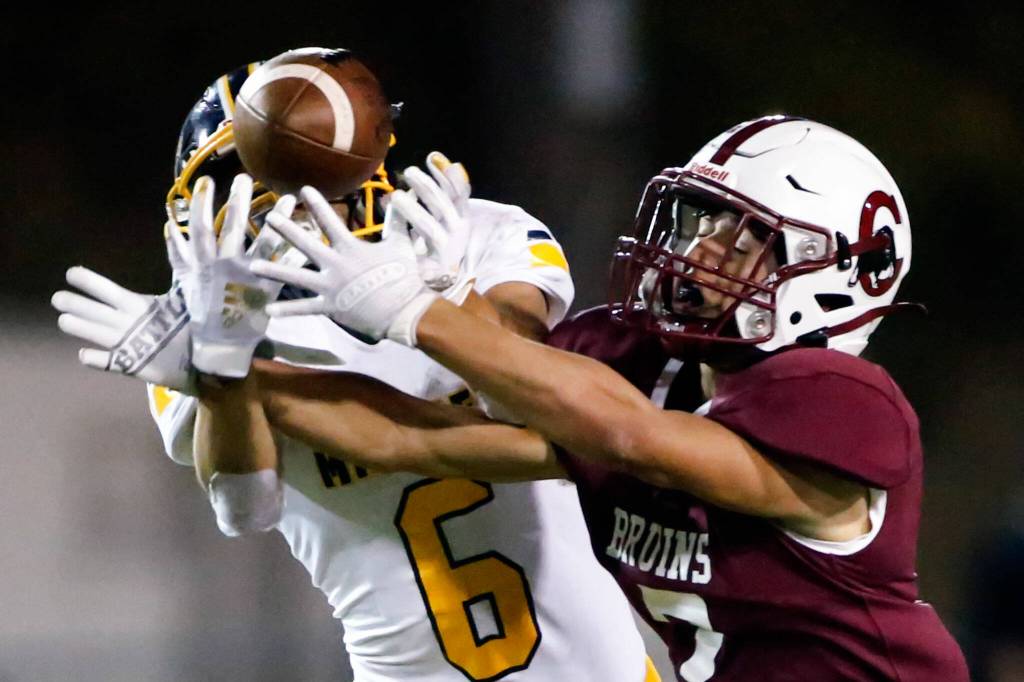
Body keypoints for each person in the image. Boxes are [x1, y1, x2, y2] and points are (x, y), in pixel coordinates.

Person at [226, 115, 968, 680]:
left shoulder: (842, 399)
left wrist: (419, 313)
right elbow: (414, 440)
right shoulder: (643, 370)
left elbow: (633, 439)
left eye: (739, 241)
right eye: (698, 222)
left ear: (832, 274)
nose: (694, 253)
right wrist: (213, 367)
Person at [55, 55, 659, 682]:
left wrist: (444, 293)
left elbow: (540, 397)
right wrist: (221, 373)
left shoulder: (467, 236)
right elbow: (244, 507)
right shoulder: (204, 325)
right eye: (239, 175)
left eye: (276, 164)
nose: (268, 194)